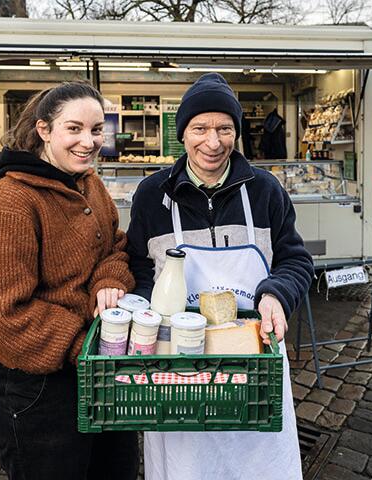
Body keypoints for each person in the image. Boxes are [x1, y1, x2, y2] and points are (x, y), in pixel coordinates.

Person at [126, 73, 314, 480]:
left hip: (254, 355)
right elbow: (139, 269)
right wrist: (137, 311)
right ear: (183, 133)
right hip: (178, 364)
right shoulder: (151, 195)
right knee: (187, 466)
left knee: (258, 463)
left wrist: (277, 296)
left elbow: (295, 261)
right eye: (200, 128)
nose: (213, 142)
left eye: (225, 128)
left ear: (237, 131)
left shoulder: (266, 190)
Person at [0, 82, 139, 479]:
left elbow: (115, 247)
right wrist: (86, 346)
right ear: (43, 129)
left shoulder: (88, 184)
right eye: (73, 129)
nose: (88, 141)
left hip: (100, 377)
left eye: (96, 130)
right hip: (41, 391)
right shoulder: (7, 206)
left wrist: (108, 281)